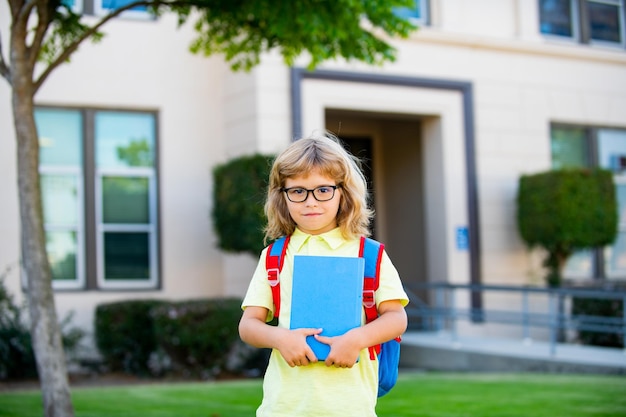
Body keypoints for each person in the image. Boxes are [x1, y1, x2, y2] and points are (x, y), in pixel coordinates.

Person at [239, 132, 409, 417]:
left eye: (323, 190)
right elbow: (248, 326)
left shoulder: (369, 255)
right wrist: (280, 338)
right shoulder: (274, 257)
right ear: (282, 196)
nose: (310, 202)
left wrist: (355, 340)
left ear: (342, 192)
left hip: (351, 407)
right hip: (283, 408)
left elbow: (396, 317)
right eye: (297, 191)